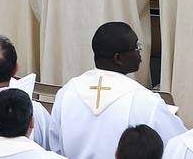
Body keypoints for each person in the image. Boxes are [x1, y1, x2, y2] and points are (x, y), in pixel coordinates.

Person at [47, 20, 183, 158]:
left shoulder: (67, 92)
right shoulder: (145, 101)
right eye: (136, 48)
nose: (140, 53)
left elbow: (55, 148)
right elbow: (178, 147)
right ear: (118, 58)